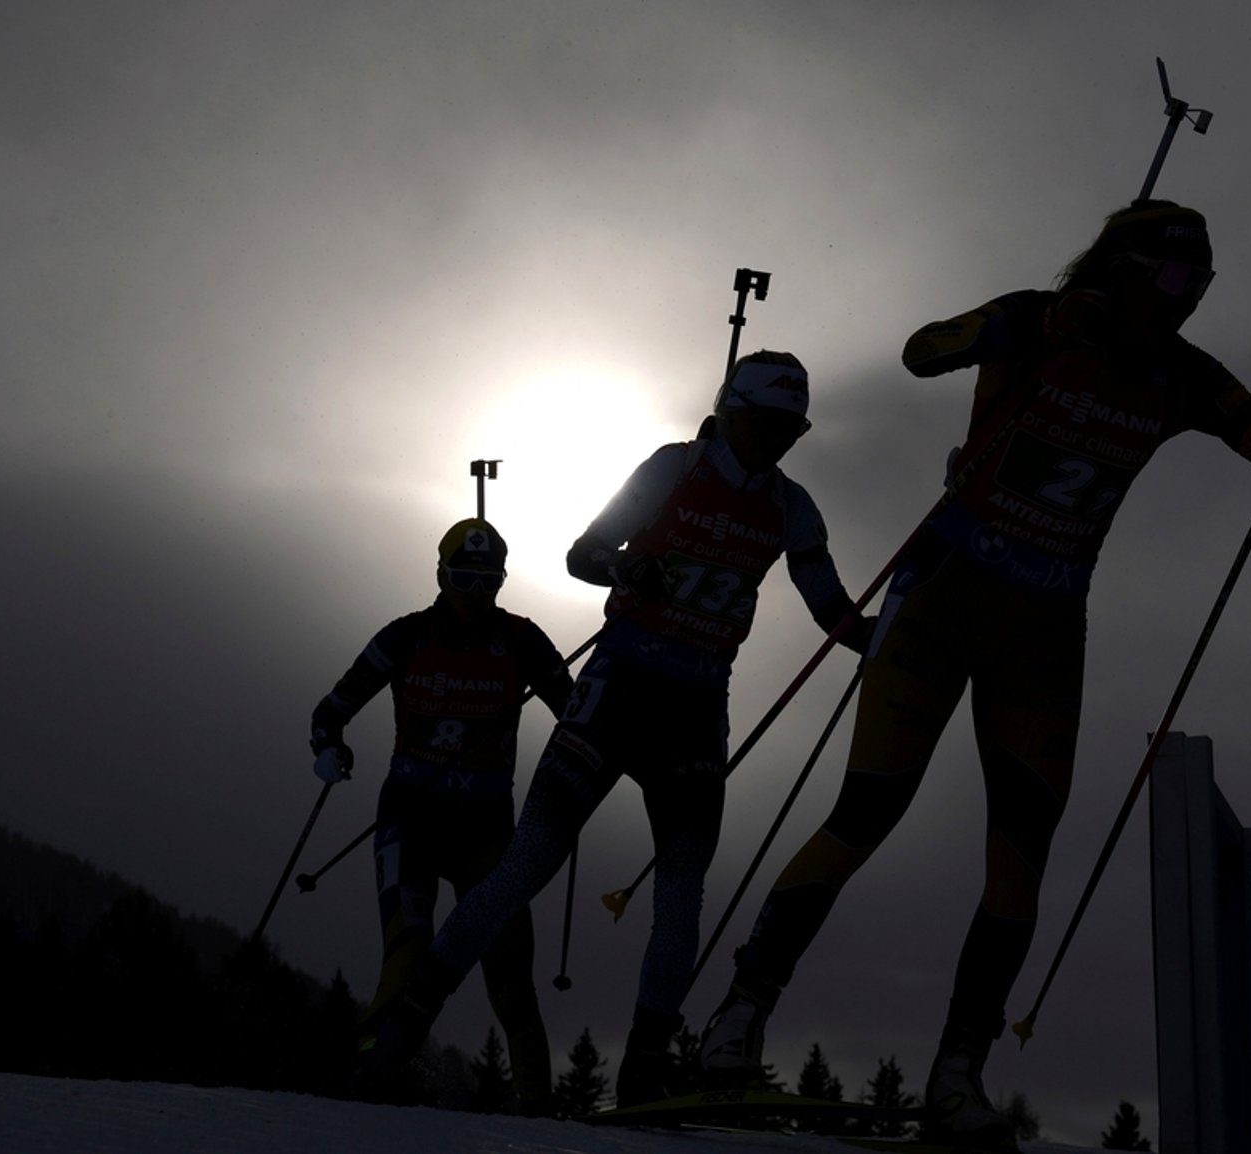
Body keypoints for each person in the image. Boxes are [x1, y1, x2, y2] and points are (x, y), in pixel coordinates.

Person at [697, 201, 1251, 1146]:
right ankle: (740, 1011)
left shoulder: (1181, 376)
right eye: (1180, 276)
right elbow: (919, 354)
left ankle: (957, 1074)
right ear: (1128, 268)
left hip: (1045, 632)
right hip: (941, 600)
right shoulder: (1041, 320)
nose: (1193, 295)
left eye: (1206, 281)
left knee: (1020, 860)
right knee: (867, 812)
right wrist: (1021, 325)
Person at [357, 350, 873, 1108]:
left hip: (695, 711)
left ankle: (644, 1069)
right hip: (618, 688)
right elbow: (583, 553)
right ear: (732, 412)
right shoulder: (671, 469)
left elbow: (832, 608)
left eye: (792, 430)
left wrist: (891, 634)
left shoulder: (794, 508)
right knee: (528, 862)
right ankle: (411, 1013)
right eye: (768, 423)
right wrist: (627, 568)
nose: (780, 441)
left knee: (682, 894)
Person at [310, 518, 573, 1113]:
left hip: (486, 830)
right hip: (411, 822)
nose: (474, 594)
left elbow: (580, 718)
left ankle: (541, 1112)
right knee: (407, 954)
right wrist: (328, 747)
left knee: (509, 976)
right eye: (462, 578)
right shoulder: (406, 637)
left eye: (488, 581)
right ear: (439, 575)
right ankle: (370, 1086)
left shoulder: (523, 641)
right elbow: (332, 708)